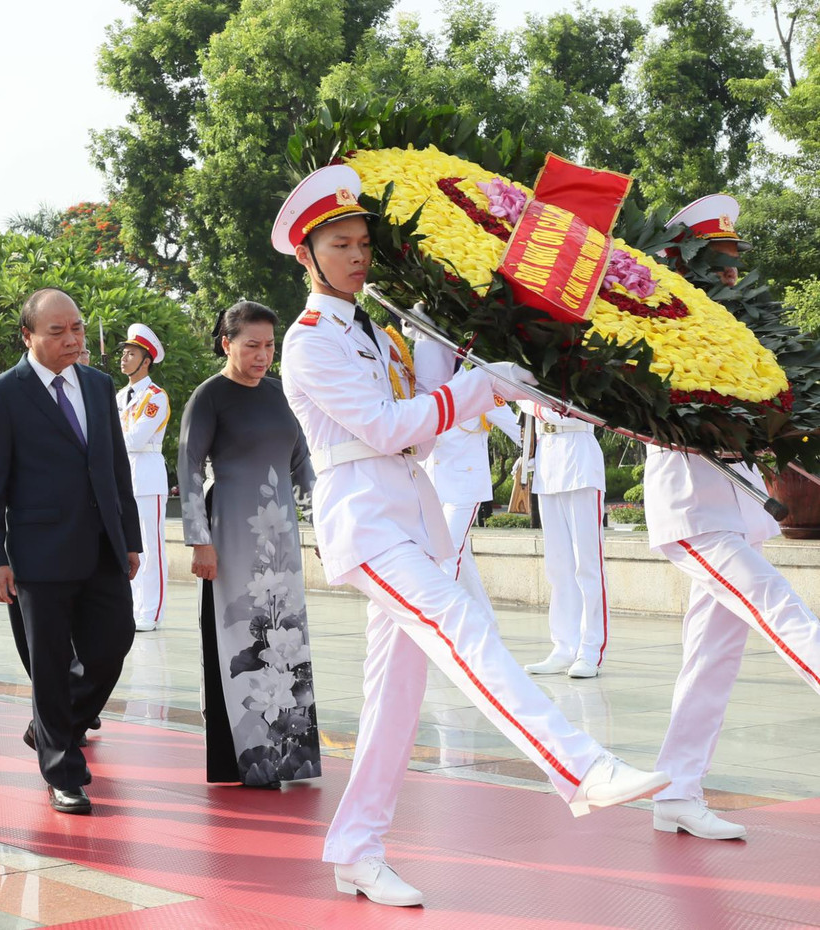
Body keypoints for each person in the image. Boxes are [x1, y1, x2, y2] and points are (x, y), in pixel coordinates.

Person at [273, 164, 668, 907]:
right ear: (307, 255)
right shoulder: (310, 341)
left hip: (408, 514)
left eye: (363, 243)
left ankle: (356, 848)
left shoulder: (378, 333)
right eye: (340, 244)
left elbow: (420, 434)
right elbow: (385, 427)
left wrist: (467, 371)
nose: (357, 256)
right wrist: (474, 387)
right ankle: (581, 768)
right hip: (365, 520)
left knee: (394, 698)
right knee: (462, 627)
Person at [645, 194, 820, 841]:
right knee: (781, 608)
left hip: (735, 510)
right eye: (715, 260)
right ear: (683, 263)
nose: (729, 271)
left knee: (711, 659)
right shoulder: (659, 327)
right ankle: (677, 790)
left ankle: (676, 791)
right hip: (693, 509)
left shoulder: (734, 328)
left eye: (732, 259)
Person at [0, 287, 141, 815]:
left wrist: (130, 538)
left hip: (102, 546)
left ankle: (50, 727)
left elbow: (116, 467)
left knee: (113, 643)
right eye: (57, 331)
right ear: (28, 336)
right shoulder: (2, 394)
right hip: (37, 553)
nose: (72, 339)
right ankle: (62, 772)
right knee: (48, 664)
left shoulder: (98, 384)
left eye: (77, 328)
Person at [178, 301, 320, 788]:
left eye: (270, 346)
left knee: (286, 636)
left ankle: (289, 755)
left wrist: (323, 523)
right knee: (241, 634)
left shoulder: (281, 395)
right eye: (252, 345)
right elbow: (188, 466)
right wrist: (199, 540)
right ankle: (244, 758)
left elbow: (302, 465)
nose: (263, 355)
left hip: (282, 537)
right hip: (233, 531)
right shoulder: (209, 396)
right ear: (227, 344)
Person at [519, 403, 609, 678]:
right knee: (558, 568)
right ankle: (563, 647)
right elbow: (522, 399)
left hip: (580, 458)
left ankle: (590, 650)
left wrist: (536, 405)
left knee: (587, 566)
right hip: (547, 460)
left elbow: (579, 410)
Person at [421, 400, 520, 616]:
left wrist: (531, 454)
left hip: (464, 487)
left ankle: (439, 623)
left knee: (445, 556)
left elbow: (521, 432)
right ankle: (485, 621)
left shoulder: (479, 390)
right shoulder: (424, 386)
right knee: (461, 561)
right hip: (430, 485)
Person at [116, 323, 171, 632]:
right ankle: (135, 609)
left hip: (148, 477)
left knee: (151, 548)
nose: (124, 359)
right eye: (124, 353)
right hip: (125, 477)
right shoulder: (119, 396)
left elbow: (136, 439)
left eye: (131, 354)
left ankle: (151, 611)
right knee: (131, 548)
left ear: (146, 361)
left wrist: (112, 436)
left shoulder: (155, 396)